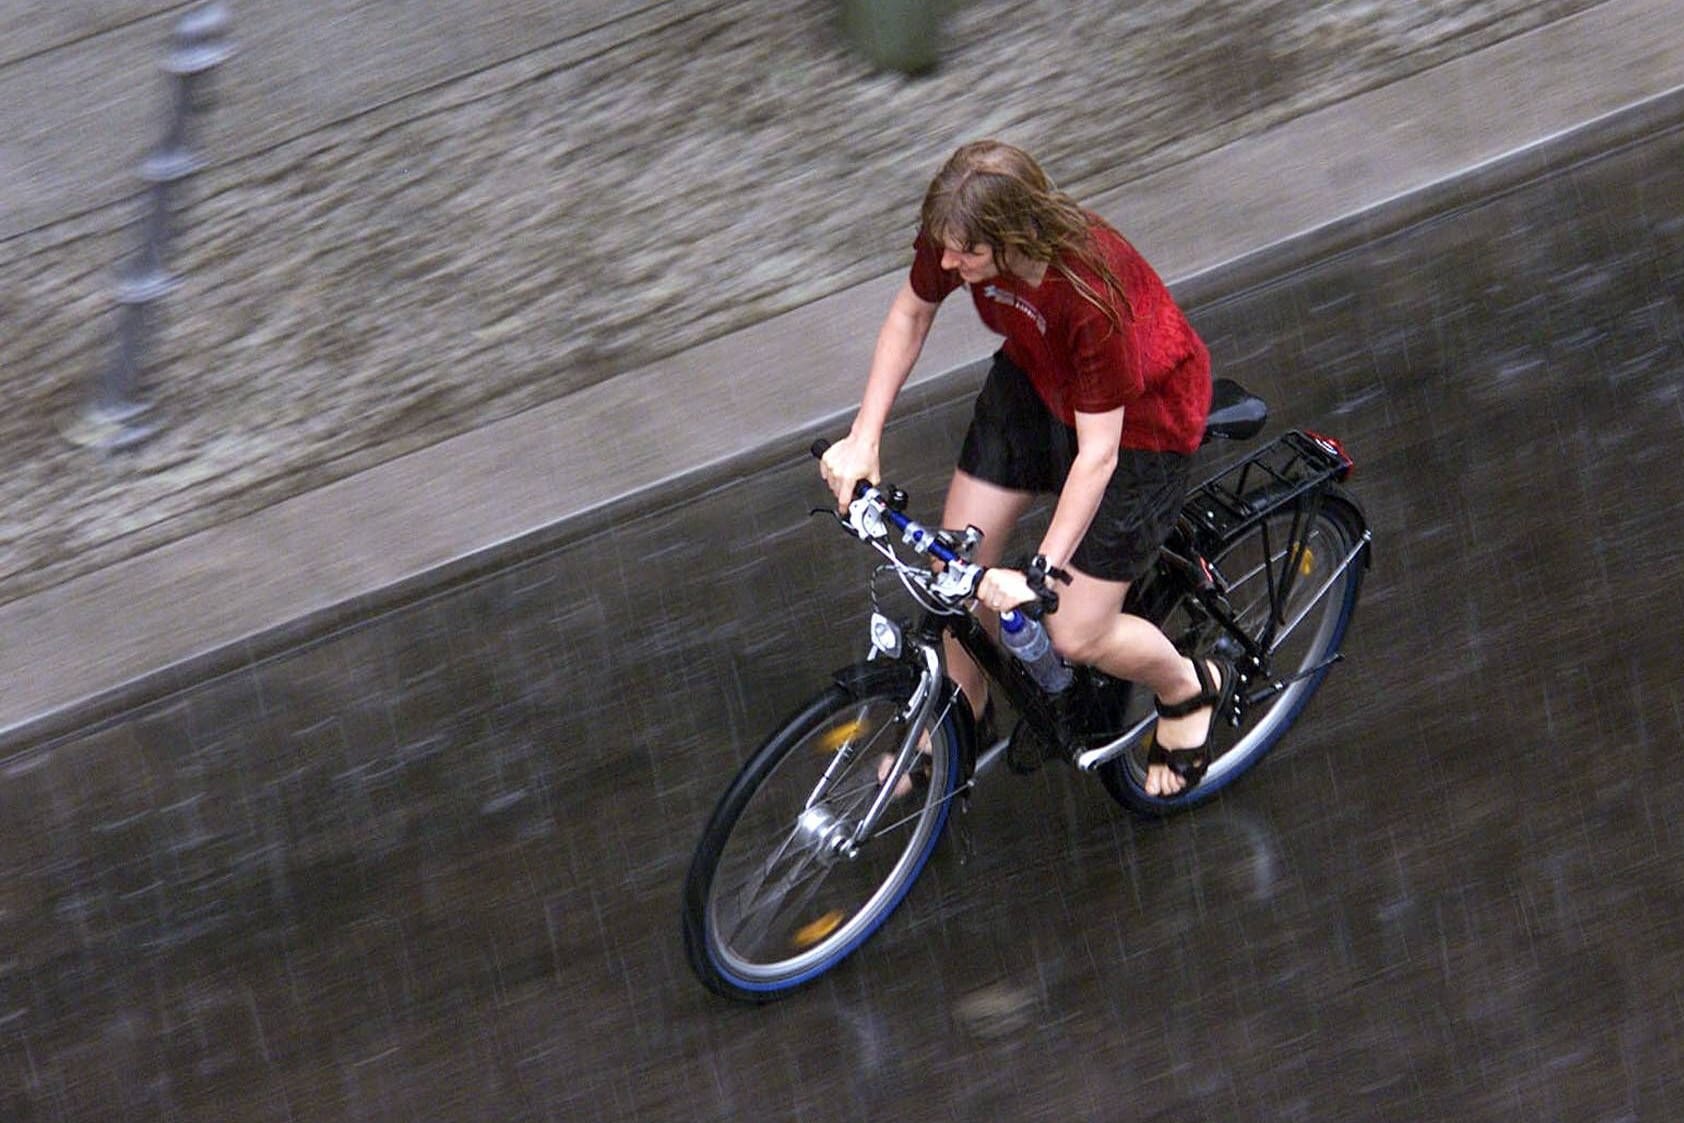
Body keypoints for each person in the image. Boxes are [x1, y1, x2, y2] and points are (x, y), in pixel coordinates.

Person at [819, 140, 1234, 798]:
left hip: (1140, 429)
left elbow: (1099, 455)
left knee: (1071, 630)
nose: (948, 264)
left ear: (1014, 236)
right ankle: (966, 708)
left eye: (966, 254)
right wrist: (864, 435)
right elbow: (911, 311)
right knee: (955, 570)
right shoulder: (958, 229)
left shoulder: (1088, 292)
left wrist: (1038, 573)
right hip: (1039, 383)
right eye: (944, 247)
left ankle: (1189, 688)